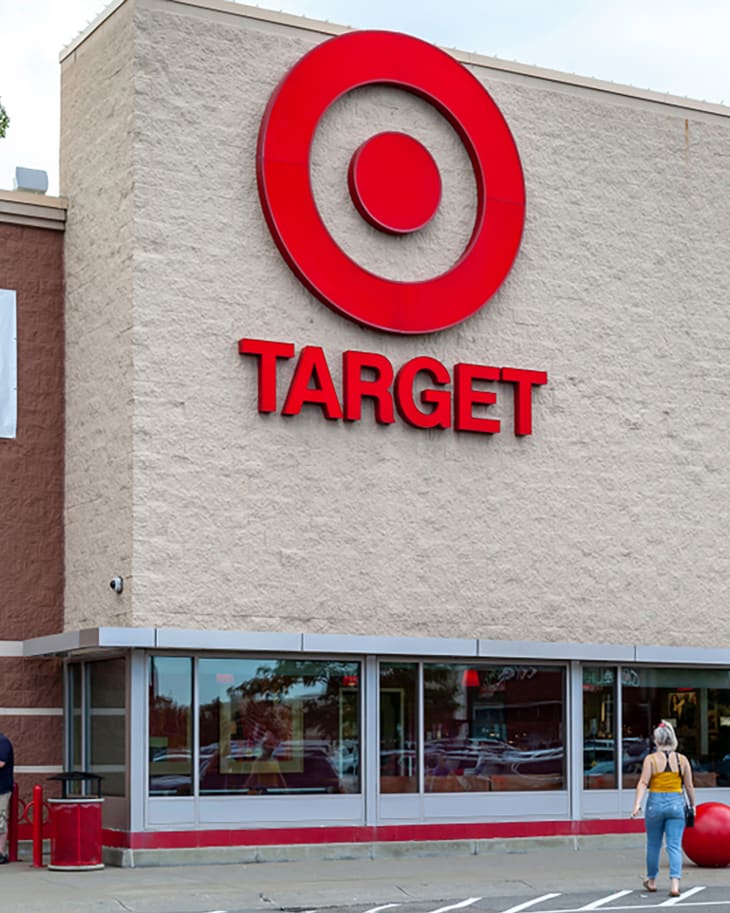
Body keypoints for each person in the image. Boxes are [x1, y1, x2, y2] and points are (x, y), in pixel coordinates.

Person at [631, 720, 695, 898]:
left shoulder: (651, 760)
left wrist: (637, 804)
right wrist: (693, 806)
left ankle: (651, 880)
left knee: (653, 844)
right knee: (674, 846)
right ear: (673, 738)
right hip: (676, 803)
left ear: (656, 740)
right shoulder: (682, 760)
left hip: (655, 803)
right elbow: (689, 786)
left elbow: (643, 782)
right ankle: (675, 883)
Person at [0, 730, 14, 865]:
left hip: (1, 789)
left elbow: (1, 762)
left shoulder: (2, 742)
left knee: (0, 821)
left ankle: (1, 853)